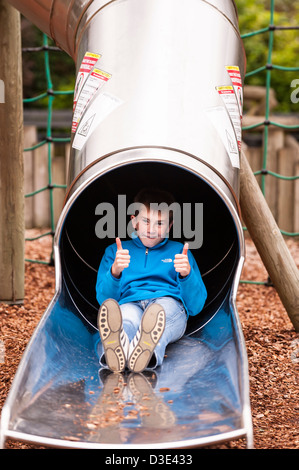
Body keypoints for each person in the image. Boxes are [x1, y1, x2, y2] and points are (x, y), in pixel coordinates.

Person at [95, 188, 207, 373]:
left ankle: (147, 355)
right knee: (124, 320)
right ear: (134, 222)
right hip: (130, 302)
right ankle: (117, 352)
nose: (152, 229)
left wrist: (186, 275)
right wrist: (115, 272)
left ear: (169, 227)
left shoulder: (179, 252)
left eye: (160, 223)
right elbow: (105, 300)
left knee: (159, 319)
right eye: (146, 221)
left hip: (168, 303)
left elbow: (196, 306)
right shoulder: (116, 252)